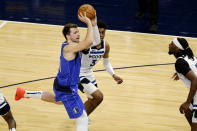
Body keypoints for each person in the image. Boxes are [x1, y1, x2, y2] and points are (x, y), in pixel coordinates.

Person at [15, 20, 123, 118]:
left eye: (103, 32)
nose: (101, 35)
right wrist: (90, 23)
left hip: (88, 73)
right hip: (78, 74)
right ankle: (82, 118)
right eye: (98, 32)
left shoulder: (106, 45)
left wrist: (113, 75)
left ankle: (25, 93)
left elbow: (106, 63)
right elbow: (86, 43)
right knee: (98, 96)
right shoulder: (83, 44)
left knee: (63, 100)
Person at [16, 13, 95, 131]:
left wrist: (93, 25)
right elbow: (89, 42)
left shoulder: (73, 45)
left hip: (60, 83)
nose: (78, 34)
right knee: (82, 116)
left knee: (57, 100)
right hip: (68, 89)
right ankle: (25, 93)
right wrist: (89, 23)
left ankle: (24, 93)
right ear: (68, 36)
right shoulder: (69, 48)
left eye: (78, 31)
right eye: (75, 32)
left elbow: (90, 42)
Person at [169, 37, 197, 130]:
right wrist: (180, 73)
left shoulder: (180, 63)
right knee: (188, 112)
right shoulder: (190, 56)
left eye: (172, 44)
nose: (169, 45)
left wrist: (187, 102)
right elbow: (192, 69)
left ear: (177, 49)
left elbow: (195, 80)